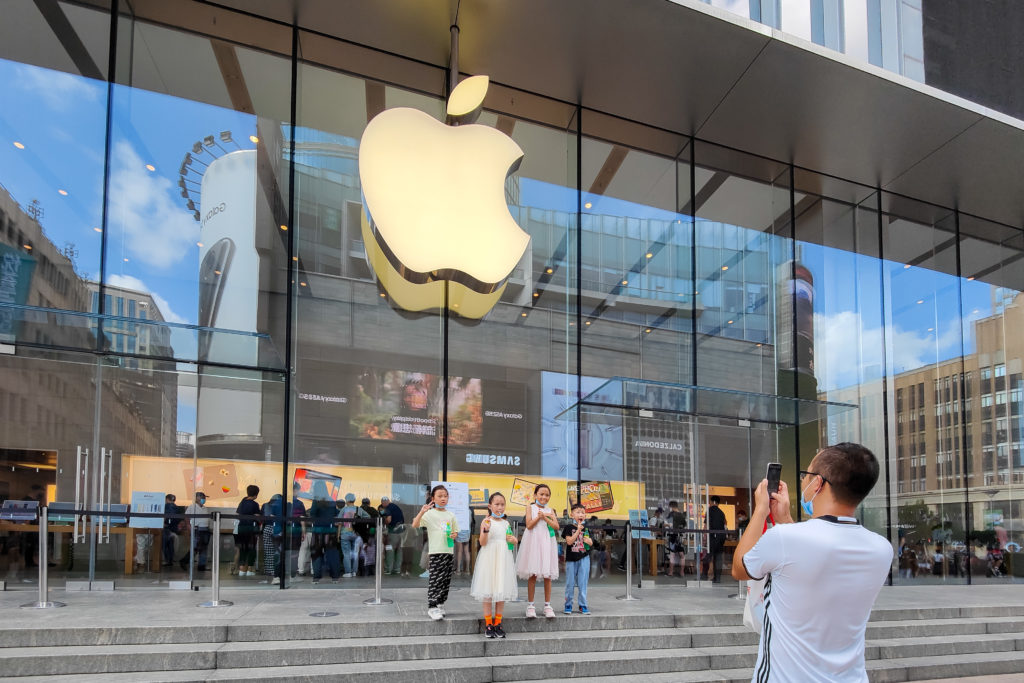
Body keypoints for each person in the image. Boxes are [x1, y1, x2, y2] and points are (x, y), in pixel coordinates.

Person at [732, 442, 892, 683]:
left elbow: (740, 568)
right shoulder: (882, 549)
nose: (804, 482)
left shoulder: (785, 539)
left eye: (807, 475)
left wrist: (760, 511)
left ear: (818, 484)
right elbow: (812, 556)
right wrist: (784, 518)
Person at [471, 492, 518, 638]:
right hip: (489, 558)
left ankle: (498, 622)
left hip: (503, 558)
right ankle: (488, 624)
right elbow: (482, 543)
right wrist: (485, 530)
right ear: (490, 506)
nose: (500, 507)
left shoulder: (506, 523)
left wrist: (513, 540)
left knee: (501, 590)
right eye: (496, 504)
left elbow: (507, 540)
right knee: (488, 591)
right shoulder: (486, 521)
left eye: (502, 504)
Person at [412, 484, 459, 621]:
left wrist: (454, 535)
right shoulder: (429, 514)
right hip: (436, 551)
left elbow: (455, 531)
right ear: (433, 498)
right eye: (440, 496)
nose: (443, 498)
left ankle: (440, 603)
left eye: (445, 496)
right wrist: (422, 511)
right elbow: (415, 524)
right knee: (435, 579)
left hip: (448, 551)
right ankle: (432, 606)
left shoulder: (451, 515)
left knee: (445, 580)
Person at [516, 483, 559, 619]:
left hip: (547, 542)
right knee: (533, 574)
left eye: (547, 495)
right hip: (534, 542)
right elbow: (528, 525)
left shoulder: (550, 510)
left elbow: (556, 526)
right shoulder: (530, 507)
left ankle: (547, 605)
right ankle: (531, 605)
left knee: (548, 575)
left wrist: (546, 517)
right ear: (535, 495)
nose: (544, 497)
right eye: (541, 494)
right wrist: (538, 517)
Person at [562, 503, 593, 614]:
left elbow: (591, 542)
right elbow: (569, 541)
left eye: (583, 513)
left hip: (584, 558)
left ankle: (583, 605)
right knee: (570, 583)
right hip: (571, 559)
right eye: (578, 512)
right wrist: (578, 530)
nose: (581, 514)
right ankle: (568, 604)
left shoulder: (587, 528)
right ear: (572, 514)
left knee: (582, 583)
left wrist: (588, 540)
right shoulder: (568, 528)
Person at [309, 495, 341, 583]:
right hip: (330, 530)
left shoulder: (316, 500)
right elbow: (336, 513)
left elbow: (312, 513)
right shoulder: (331, 500)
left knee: (316, 554)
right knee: (332, 554)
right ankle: (335, 577)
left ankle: (316, 577)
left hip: (318, 530)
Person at [338, 493, 370, 578]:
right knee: (355, 553)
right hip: (356, 534)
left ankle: (348, 572)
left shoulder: (343, 510)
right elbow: (368, 517)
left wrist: (338, 534)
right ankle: (354, 572)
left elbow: (339, 522)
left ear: (347, 500)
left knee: (346, 553)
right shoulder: (359, 509)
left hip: (345, 533)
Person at [180, 492, 210, 572]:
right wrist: (189, 527)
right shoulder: (192, 507)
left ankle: (201, 566)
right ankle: (184, 561)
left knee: (204, 548)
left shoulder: (205, 508)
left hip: (205, 529)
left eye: (204, 497)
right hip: (197, 529)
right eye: (202, 497)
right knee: (195, 547)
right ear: (197, 498)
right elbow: (186, 517)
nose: (204, 499)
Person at [235, 485, 261, 576]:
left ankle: (241, 570)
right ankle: (250, 569)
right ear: (256, 494)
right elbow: (258, 517)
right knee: (251, 549)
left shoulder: (241, 503)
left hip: (241, 528)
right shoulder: (254, 504)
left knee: (242, 549)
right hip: (251, 529)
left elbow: (237, 515)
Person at [381, 496, 407, 576]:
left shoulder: (388, 508)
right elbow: (403, 519)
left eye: (382, 503)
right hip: (401, 532)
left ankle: (388, 569)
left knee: (390, 551)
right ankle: (397, 569)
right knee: (399, 551)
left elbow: (389, 520)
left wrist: (384, 522)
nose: (382, 505)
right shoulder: (396, 507)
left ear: (383, 502)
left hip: (393, 532)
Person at [703, 495, 726, 583]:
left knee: (708, 555)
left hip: (713, 536)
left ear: (712, 502)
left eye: (710, 502)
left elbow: (706, 525)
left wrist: (704, 537)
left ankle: (704, 575)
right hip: (721, 537)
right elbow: (724, 525)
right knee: (718, 557)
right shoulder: (722, 512)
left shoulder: (709, 510)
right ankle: (717, 578)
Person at [664, 500, 687, 578]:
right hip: (680, 537)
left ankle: (671, 572)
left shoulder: (671, 514)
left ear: (671, 507)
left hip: (673, 536)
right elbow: (684, 526)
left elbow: (667, 525)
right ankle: (682, 572)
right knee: (682, 555)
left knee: (672, 555)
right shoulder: (682, 515)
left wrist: (665, 525)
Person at [162, 494, 180, 567]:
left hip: (167, 528)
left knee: (165, 545)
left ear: (167, 499)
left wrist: (165, 524)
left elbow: (167, 518)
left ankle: (167, 560)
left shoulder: (167, 507)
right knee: (171, 545)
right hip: (174, 528)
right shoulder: (176, 507)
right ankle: (170, 560)